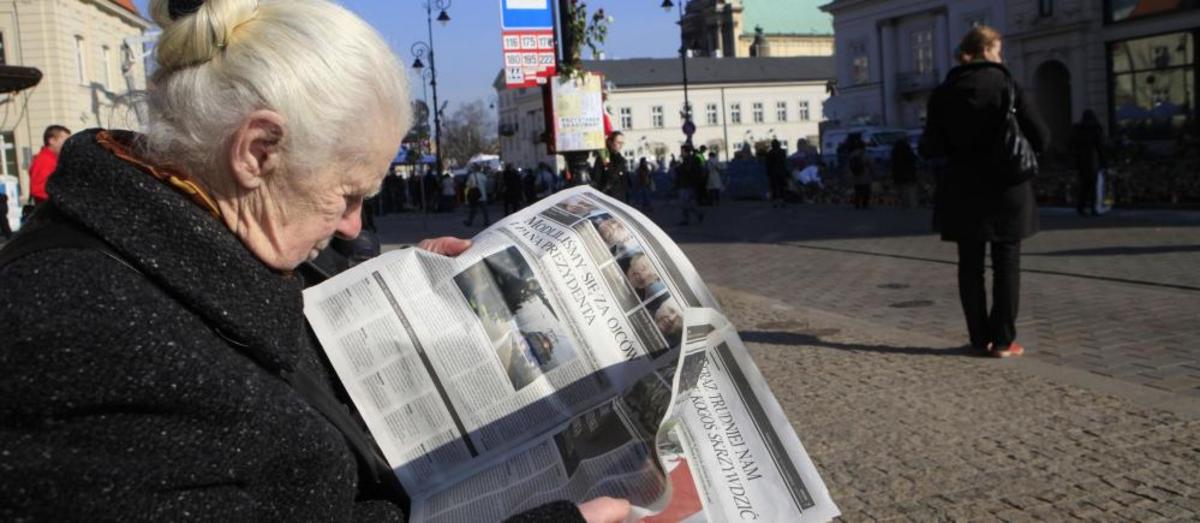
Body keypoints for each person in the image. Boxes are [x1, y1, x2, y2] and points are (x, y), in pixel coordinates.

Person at [0, 1, 629, 521]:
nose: (355, 225)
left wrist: (395, 291)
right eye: (348, 193)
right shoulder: (76, 326)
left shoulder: (184, 236)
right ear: (258, 150)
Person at [920, 25, 1048, 359]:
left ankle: (978, 338)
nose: (1000, 56)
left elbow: (929, 146)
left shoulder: (945, 90)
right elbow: (1042, 137)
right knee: (1006, 262)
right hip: (1008, 187)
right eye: (999, 50)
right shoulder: (1008, 84)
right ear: (987, 49)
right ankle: (1004, 341)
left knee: (970, 265)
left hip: (963, 189)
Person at [1070, 109, 1105, 216]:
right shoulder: (1095, 129)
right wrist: (1104, 161)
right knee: (1093, 185)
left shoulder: (1078, 130)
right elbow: (1100, 146)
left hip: (1081, 161)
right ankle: (1094, 207)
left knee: (1084, 186)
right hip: (1093, 160)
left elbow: (1072, 145)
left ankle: (1081, 206)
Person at [28, 125, 71, 205]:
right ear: (52, 141)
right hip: (50, 211)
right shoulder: (44, 160)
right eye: (65, 140)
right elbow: (38, 190)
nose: (68, 144)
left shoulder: (54, 159)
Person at [592, 131, 629, 202]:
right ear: (610, 142)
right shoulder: (602, 159)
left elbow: (624, 183)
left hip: (621, 200)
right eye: (618, 142)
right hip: (607, 199)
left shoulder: (621, 160)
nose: (621, 145)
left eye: (622, 143)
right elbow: (596, 179)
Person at [675, 145, 704, 225]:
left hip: (687, 184)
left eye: (682, 151)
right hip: (686, 184)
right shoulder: (688, 159)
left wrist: (679, 167)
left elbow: (687, 170)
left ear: (686, 151)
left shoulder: (689, 160)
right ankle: (695, 215)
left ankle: (692, 216)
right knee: (686, 203)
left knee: (684, 203)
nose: (681, 152)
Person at [846, 133, 872, 209]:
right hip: (865, 175)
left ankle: (857, 203)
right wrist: (873, 172)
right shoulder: (865, 154)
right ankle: (865, 204)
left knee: (857, 190)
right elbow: (870, 164)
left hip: (855, 175)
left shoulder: (852, 155)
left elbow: (848, 165)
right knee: (866, 190)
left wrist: (849, 173)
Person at [891, 138, 918, 208]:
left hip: (898, 174)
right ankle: (912, 204)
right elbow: (914, 159)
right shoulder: (908, 151)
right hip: (909, 173)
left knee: (901, 189)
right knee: (910, 189)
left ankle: (903, 203)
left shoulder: (894, 152)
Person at [766, 139, 788, 207]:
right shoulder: (782, 152)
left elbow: (768, 164)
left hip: (773, 173)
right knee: (781, 187)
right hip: (781, 172)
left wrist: (768, 173)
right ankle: (782, 201)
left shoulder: (770, 152)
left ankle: (775, 201)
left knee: (774, 188)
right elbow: (784, 162)